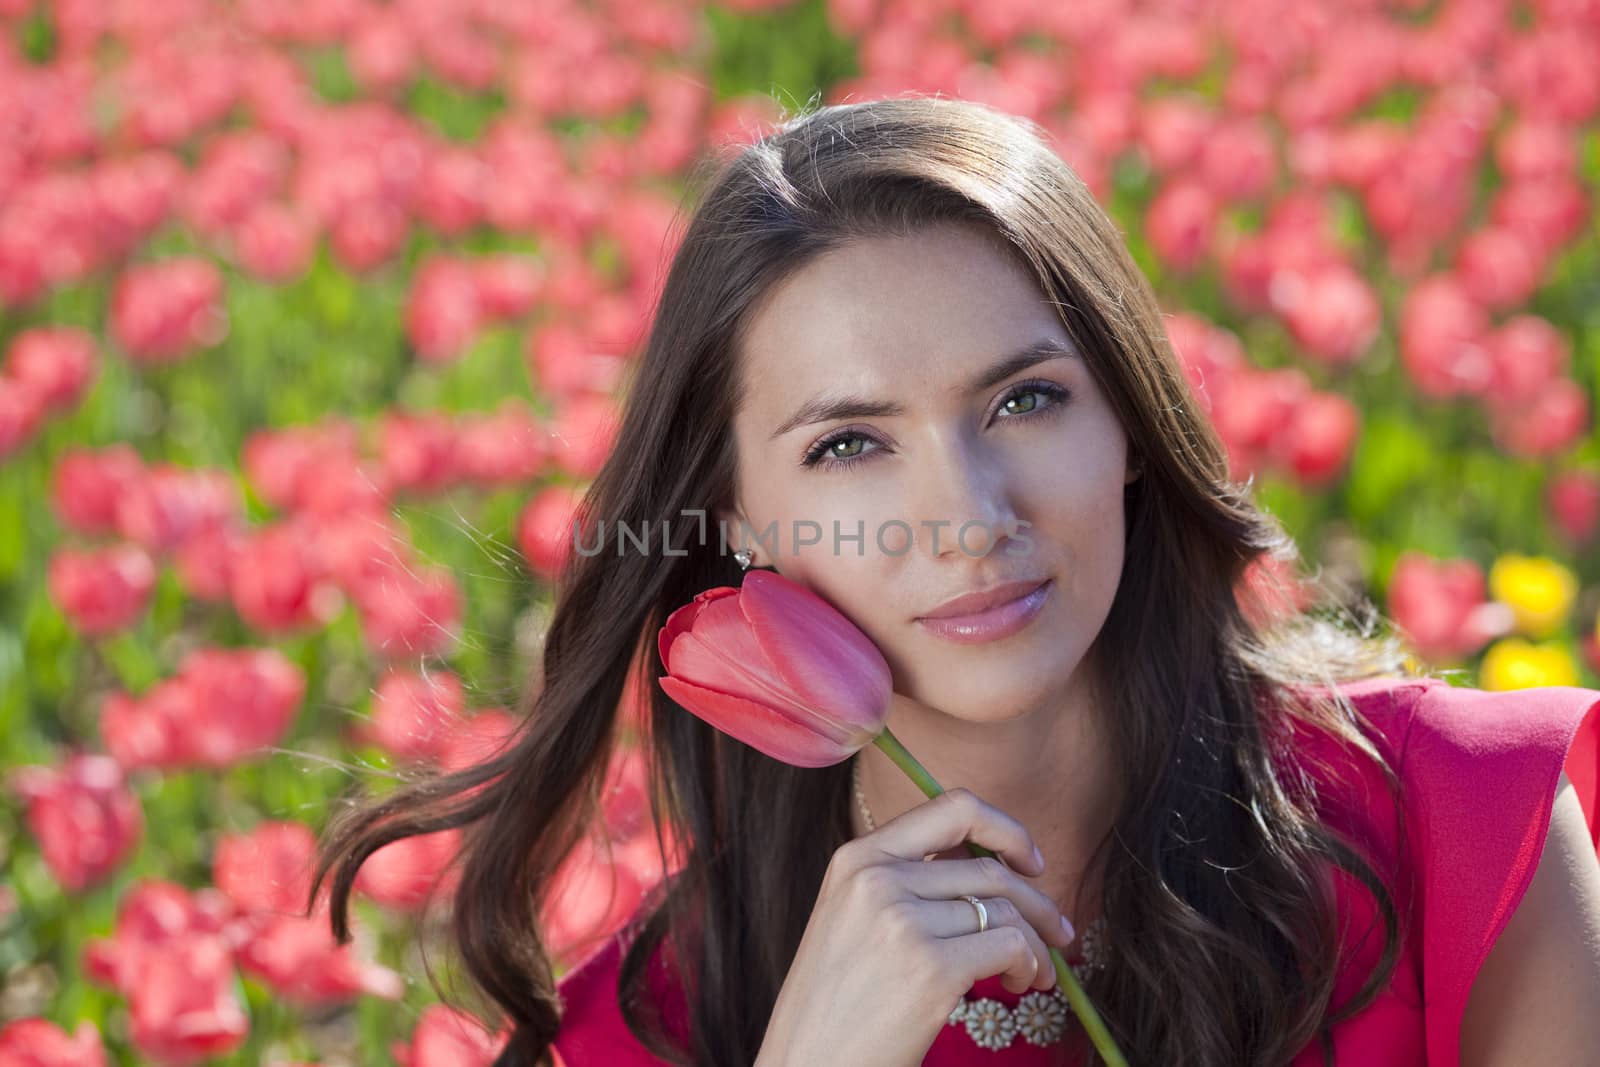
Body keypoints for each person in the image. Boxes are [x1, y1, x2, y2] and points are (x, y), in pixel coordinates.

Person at [310, 96, 1600, 1066]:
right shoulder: (646, 1028)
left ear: (1132, 433)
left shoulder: (1458, 830)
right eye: (850, 445)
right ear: (738, 520)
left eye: (1027, 400)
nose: (970, 519)